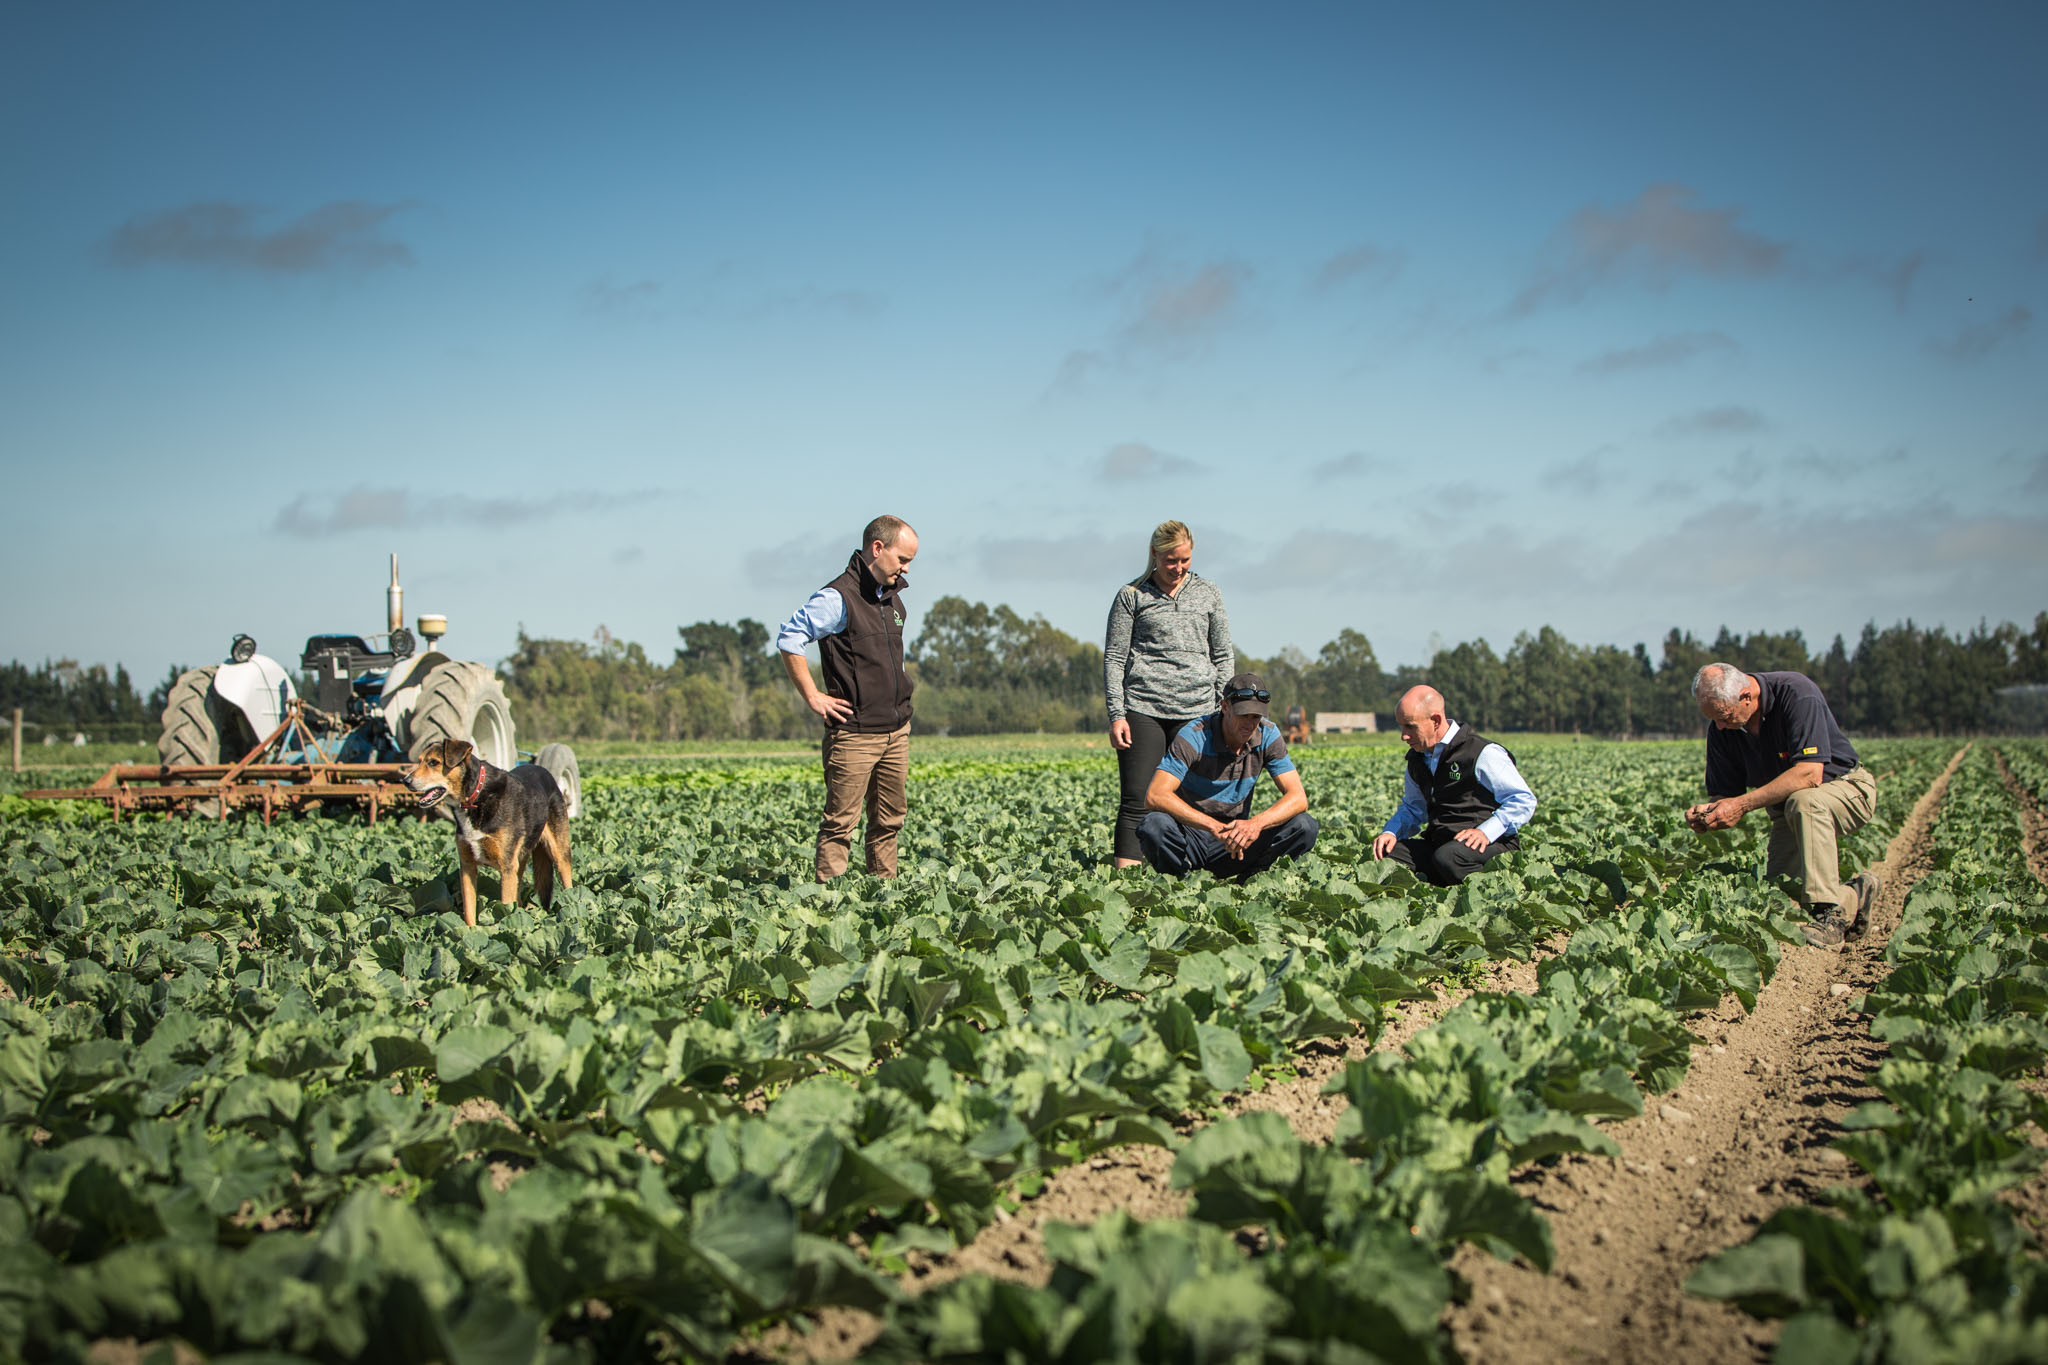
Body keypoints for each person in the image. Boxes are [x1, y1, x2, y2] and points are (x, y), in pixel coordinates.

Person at [1684, 662, 1880, 946]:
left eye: (1724, 716)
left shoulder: (1797, 694)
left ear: (1746, 696)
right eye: (1713, 719)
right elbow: (1726, 793)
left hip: (1847, 789)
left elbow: (1810, 775)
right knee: (1782, 896)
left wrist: (1740, 806)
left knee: (1804, 800)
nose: (1720, 725)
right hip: (1790, 810)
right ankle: (1854, 895)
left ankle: (1829, 918)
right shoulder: (1723, 729)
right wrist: (1710, 812)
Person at [776, 516, 918, 881]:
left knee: (889, 821)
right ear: (877, 549)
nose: (905, 569)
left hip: (895, 731)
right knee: (840, 824)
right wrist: (813, 696)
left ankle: (884, 895)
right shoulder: (838, 598)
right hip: (854, 734)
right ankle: (828, 903)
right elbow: (791, 638)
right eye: (902, 559)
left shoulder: (892, 599)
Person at [1103, 520, 1234, 867]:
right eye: (1170, 560)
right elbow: (1115, 657)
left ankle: (1186, 875)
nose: (1177, 568)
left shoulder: (1208, 593)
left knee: (1192, 801)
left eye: (1185, 560)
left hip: (1198, 711)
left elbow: (1222, 655)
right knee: (1138, 799)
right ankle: (1127, 886)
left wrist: (1225, 710)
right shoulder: (1131, 595)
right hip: (1143, 709)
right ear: (1155, 555)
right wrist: (1117, 714)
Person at [1136, 672, 1318, 881]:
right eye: (1244, 715)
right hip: (1191, 836)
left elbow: (1298, 798)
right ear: (1224, 707)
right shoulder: (1195, 735)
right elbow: (1156, 795)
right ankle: (1179, 881)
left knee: (1305, 826)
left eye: (1256, 717)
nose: (1250, 724)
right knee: (1154, 825)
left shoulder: (1268, 734)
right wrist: (1212, 826)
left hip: (1236, 841)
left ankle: (1252, 880)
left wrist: (1255, 825)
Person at [1371, 685, 1536, 885]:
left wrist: (1486, 831)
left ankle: (1501, 887)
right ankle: (1438, 889)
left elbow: (1523, 799)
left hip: (1492, 846)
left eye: (1410, 726)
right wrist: (1391, 832)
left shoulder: (1481, 752)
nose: (1403, 736)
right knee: (1388, 855)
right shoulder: (1417, 759)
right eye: (1401, 726)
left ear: (1436, 721)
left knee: (1449, 858)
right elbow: (1414, 808)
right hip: (1442, 845)